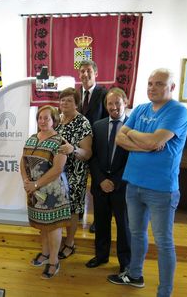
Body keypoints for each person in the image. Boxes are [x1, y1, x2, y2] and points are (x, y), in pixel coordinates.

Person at [108, 69, 187, 297]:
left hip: (161, 189)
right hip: (133, 184)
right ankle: (135, 275)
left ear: (171, 87)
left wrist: (139, 137)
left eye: (159, 84)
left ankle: (164, 292)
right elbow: (120, 137)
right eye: (150, 83)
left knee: (163, 242)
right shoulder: (142, 108)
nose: (152, 87)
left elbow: (155, 140)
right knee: (136, 233)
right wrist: (146, 143)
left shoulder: (179, 112)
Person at [21, 105, 70, 279]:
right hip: (34, 191)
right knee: (42, 225)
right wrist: (27, 181)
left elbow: (57, 169)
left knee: (53, 226)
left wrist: (35, 185)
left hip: (52, 192)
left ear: (54, 121)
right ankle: (45, 253)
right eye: (40, 118)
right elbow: (23, 161)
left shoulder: (60, 142)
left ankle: (54, 261)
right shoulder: (32, 138)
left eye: (46, 118)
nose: (42, 121)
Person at [86, 88, 131, 273]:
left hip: (122, 186)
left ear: (125, 103)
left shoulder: (133, 127)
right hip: (101, 185)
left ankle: (125, 263)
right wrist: (101, 179)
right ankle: (101, 256)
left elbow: (132, 159)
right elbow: (93, 156)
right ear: (106, 106)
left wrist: (115, 181)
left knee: (123, 226)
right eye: (110, 104)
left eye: (117, 103)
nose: (114, 107)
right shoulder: (98, 126)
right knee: (101, 223)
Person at [55, 88, 93, 259]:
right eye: (62, 100)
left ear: (76, 103)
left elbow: (88, 153)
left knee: (72, 210)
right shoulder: (57, 120)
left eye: (69, 100)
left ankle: (70, 243)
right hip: (55, 172)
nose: (64, 103)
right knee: (56, 206)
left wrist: (73, 149)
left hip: (74, 174)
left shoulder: (83, 123)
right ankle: (56, 240)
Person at [78, 60, 109, 233]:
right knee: (78, 183)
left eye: (88, 71)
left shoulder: (104, 94)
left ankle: (99, 221)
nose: (85, 74)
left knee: (98, 188)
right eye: (82, 71)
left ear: (95, 73)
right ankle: (77, 215)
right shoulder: (77, 94)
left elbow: (107, 120)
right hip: (80, 149)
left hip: (98, 149)